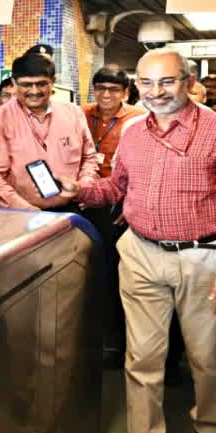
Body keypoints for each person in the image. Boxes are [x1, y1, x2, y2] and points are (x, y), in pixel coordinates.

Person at [60, 49, 216, 433]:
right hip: (140, 253)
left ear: (189, 82)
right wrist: (80, 189)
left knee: (206, 356)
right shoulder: (135, 132)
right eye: (147, 83)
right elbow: (116, 188)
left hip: (204, 258)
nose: (155, 92)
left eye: (167, 82)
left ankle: (210, 427)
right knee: (141, 358)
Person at [81, 64, 148, 367]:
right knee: (88, 273)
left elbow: (143, 167)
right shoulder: (81, 114)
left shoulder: (139, 119)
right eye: (100, 88)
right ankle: (91, 337)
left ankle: (117, 342)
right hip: (85, 201)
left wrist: (127, 203)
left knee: (116, 275)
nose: (106, 95)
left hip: (117, 207)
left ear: (125, 92)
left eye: (113, 90)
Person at [0, 53, 99, 212]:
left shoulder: (73, 113)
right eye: (26, 85)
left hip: (72, 209)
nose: (34, 91)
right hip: (19, 213)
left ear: (53, 82)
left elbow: (89, 158)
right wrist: (26, 210)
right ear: (14, 83)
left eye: (41, 84)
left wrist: (84, 188)